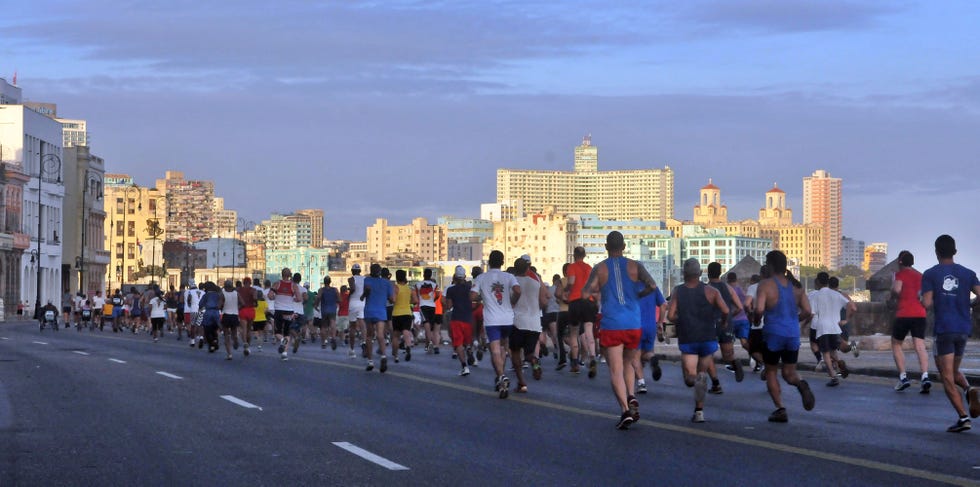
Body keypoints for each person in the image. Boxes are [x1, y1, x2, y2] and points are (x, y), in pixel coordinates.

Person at [581, 231, 659, 430]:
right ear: (624, 247)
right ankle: (631, 395)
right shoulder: (635, 266)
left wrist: (600, 296)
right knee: (629, 363)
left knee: (615, 370)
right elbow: (652, 285)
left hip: (612, 324)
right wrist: (638, 295)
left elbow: (584, 293)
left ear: (606, 247)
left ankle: (625, 410)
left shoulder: (600, 268)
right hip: (633, 323)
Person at [920, 235, 980, 432]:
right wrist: (968, 304)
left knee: (945, 376)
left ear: (936, 252)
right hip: (963, 329)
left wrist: (921, 298)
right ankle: (969, 389)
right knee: (953, 372)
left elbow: (927, 303)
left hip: (944, 329)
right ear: (955, 251)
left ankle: (963, 418)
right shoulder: (968, 273)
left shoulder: (930, 274)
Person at [754, 250, 815, 423]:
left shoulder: (765, 285)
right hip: (792, 334)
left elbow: (759, 309)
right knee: (789, 373)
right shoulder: (797, 286)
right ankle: (801, 383)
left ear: (770, 265)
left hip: (773, 334)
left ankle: (780, 409)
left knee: (771, 371)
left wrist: (757, 319)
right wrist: (794, 320)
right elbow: (808, 311)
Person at [668, 259, 729, 423]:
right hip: (708, 338)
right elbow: (726, 310)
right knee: (702, 373)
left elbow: (670, 316)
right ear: (700, 273)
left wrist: (682, 318)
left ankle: (696, 380)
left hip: (688, 338)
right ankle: (699, 411)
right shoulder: (711, 291)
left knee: (690, 378)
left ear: (684, 274)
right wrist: (723, 322)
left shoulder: (678, 291)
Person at [471, 250, 521, 398]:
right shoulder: (509, 276)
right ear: (502, 262)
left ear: (489, 262)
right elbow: (518, 290)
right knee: (504, 348)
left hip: (492, 320)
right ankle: (501, 380)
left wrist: (482, 297)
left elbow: (472, 296)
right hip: (508, 319)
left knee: (495, 350)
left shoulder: (481, 278)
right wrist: (512, 301)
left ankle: (501, 375)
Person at [890, 250, 931, 393]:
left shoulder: (899, 275)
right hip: (920, 314)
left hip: (904, 313)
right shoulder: (921, 276)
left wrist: (893, 294)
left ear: (900, 262)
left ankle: (903, 377)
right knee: (920, 345)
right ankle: (925, 376)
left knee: (896, 344)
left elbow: (896, 289)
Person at [806, 272, 855, 386]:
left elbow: (811, 313)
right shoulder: (836, 294)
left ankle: (833, 377)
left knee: (826, 353)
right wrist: (846, 319)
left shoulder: (816, 295)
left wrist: (803, 323)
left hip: (823, 327)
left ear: (817, 282)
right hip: (836, 327)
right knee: (833, 350)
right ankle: (838, 369)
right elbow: (852, 307)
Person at [511, 258, 549, 392]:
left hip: (517, 322)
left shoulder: (513, 281)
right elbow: (544, 301)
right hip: (534, 323)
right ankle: (534, 362)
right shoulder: (536, 281)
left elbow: (509, 301)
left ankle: (522, 382)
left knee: (515, 352)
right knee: (529, 353)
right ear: (528, 268)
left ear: (515, 269)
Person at [707, 262, 745, 388]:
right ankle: (734, 362)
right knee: (727, 355)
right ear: (720, 273)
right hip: (726, 323)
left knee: (708, 355)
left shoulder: (706, 288)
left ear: (708, 273)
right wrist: (730, 317)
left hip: (710, 325)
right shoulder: (728, 288)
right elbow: (740, 307)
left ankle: (715, 383)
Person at [565, 247, 598, 378]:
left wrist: (567, 289)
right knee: (589, 330)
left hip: (575, 301)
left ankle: (574, 363)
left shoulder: (572, 267)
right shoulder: (589, 268)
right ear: (584, 255)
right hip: (588, 301)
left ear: (574, 255)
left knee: (574, 332)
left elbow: (571, 282)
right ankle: (593, 357)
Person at [634, 276, 666, 394]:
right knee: (647, 353)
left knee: (635, 356)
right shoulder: (653, 287)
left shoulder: (631, 287)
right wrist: (660, 322)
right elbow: (663, 305)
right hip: (651, 326)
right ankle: (652, 358)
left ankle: (641, 383)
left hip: (636, 326)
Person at [363, 263, 394, 372]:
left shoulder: (367, 280)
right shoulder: (387, 283)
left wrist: (364, 295)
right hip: (381, 312)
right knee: (380, 335)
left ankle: (370, 361)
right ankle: (384, 356)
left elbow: (365, 293)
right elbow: (392, 299)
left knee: (369, 336)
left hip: (369, 311)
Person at [445, 266, 474, 376]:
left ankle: (464, 366)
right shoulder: (470, 288)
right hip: (468, 319)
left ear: (454, 277)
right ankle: (470, 349)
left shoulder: (451, 290)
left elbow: (449, 306)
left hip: (456, 318)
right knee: (467, 342)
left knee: (458, 344)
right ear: (465, 277)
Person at [268, 268, 301, 361]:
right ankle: (285, 353)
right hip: (289, 311)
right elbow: (299, 298)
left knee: (278, 332)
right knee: (287, 333)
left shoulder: (277, 284)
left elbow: (270, 295)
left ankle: (282, 341)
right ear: (290, 275)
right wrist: (293, 299)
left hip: (279, 310)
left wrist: (274, 298)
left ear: (281, 274)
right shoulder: (294, 286)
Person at [390, 270, 416, 363]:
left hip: (396, 313)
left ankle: (396, 356)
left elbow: (393, 300)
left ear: (396, 278)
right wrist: (408, 302)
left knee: (396, 335)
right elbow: (415, 301)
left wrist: (390, 299)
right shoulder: (410, 289)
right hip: (407, 313)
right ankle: (408, 346)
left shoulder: (396, 288)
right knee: (406, 331)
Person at [416, 268, 441, 354]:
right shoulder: (434, 285)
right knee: (430, 327)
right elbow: (438, 294)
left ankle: (429, 342)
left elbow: (415, 296)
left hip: (423, 306)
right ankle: (429, 345)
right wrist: (433, 300)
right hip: (432, 306)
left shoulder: (418, 284)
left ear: (423, 274)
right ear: (431, 275)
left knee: (426, 325)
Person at [347, 264, 367, 359]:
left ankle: (352, 349)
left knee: (352, 326)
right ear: (360, 271)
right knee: (362, 323)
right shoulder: (365, 279)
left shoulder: (351, 279)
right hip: (362, 303)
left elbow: (353, 288)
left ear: (352, 271)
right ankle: (363, 341)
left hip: (353, 303)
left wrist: (349, 294)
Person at [237, 278, 258, 357]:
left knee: (244, 329)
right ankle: (248, 345)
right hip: (251, 310)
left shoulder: (239, 290)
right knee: (249, 329)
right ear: (250, 282)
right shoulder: (253, 290)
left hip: (243, 310)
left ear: (243, 282)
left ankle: (245, 343)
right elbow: (255, 299)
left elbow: (238, 300)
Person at [318, 277, 340, 350]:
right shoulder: (335, 290)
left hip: (324, 310)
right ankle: (333, 338)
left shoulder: (321, 290)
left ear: (324, 282)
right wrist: (336, 302)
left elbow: (318, 298)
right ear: (330, 282)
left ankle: (323, 342)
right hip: (332, 309)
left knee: (324, 327)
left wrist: (315, 305)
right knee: (332, 323)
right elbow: (339, 299)